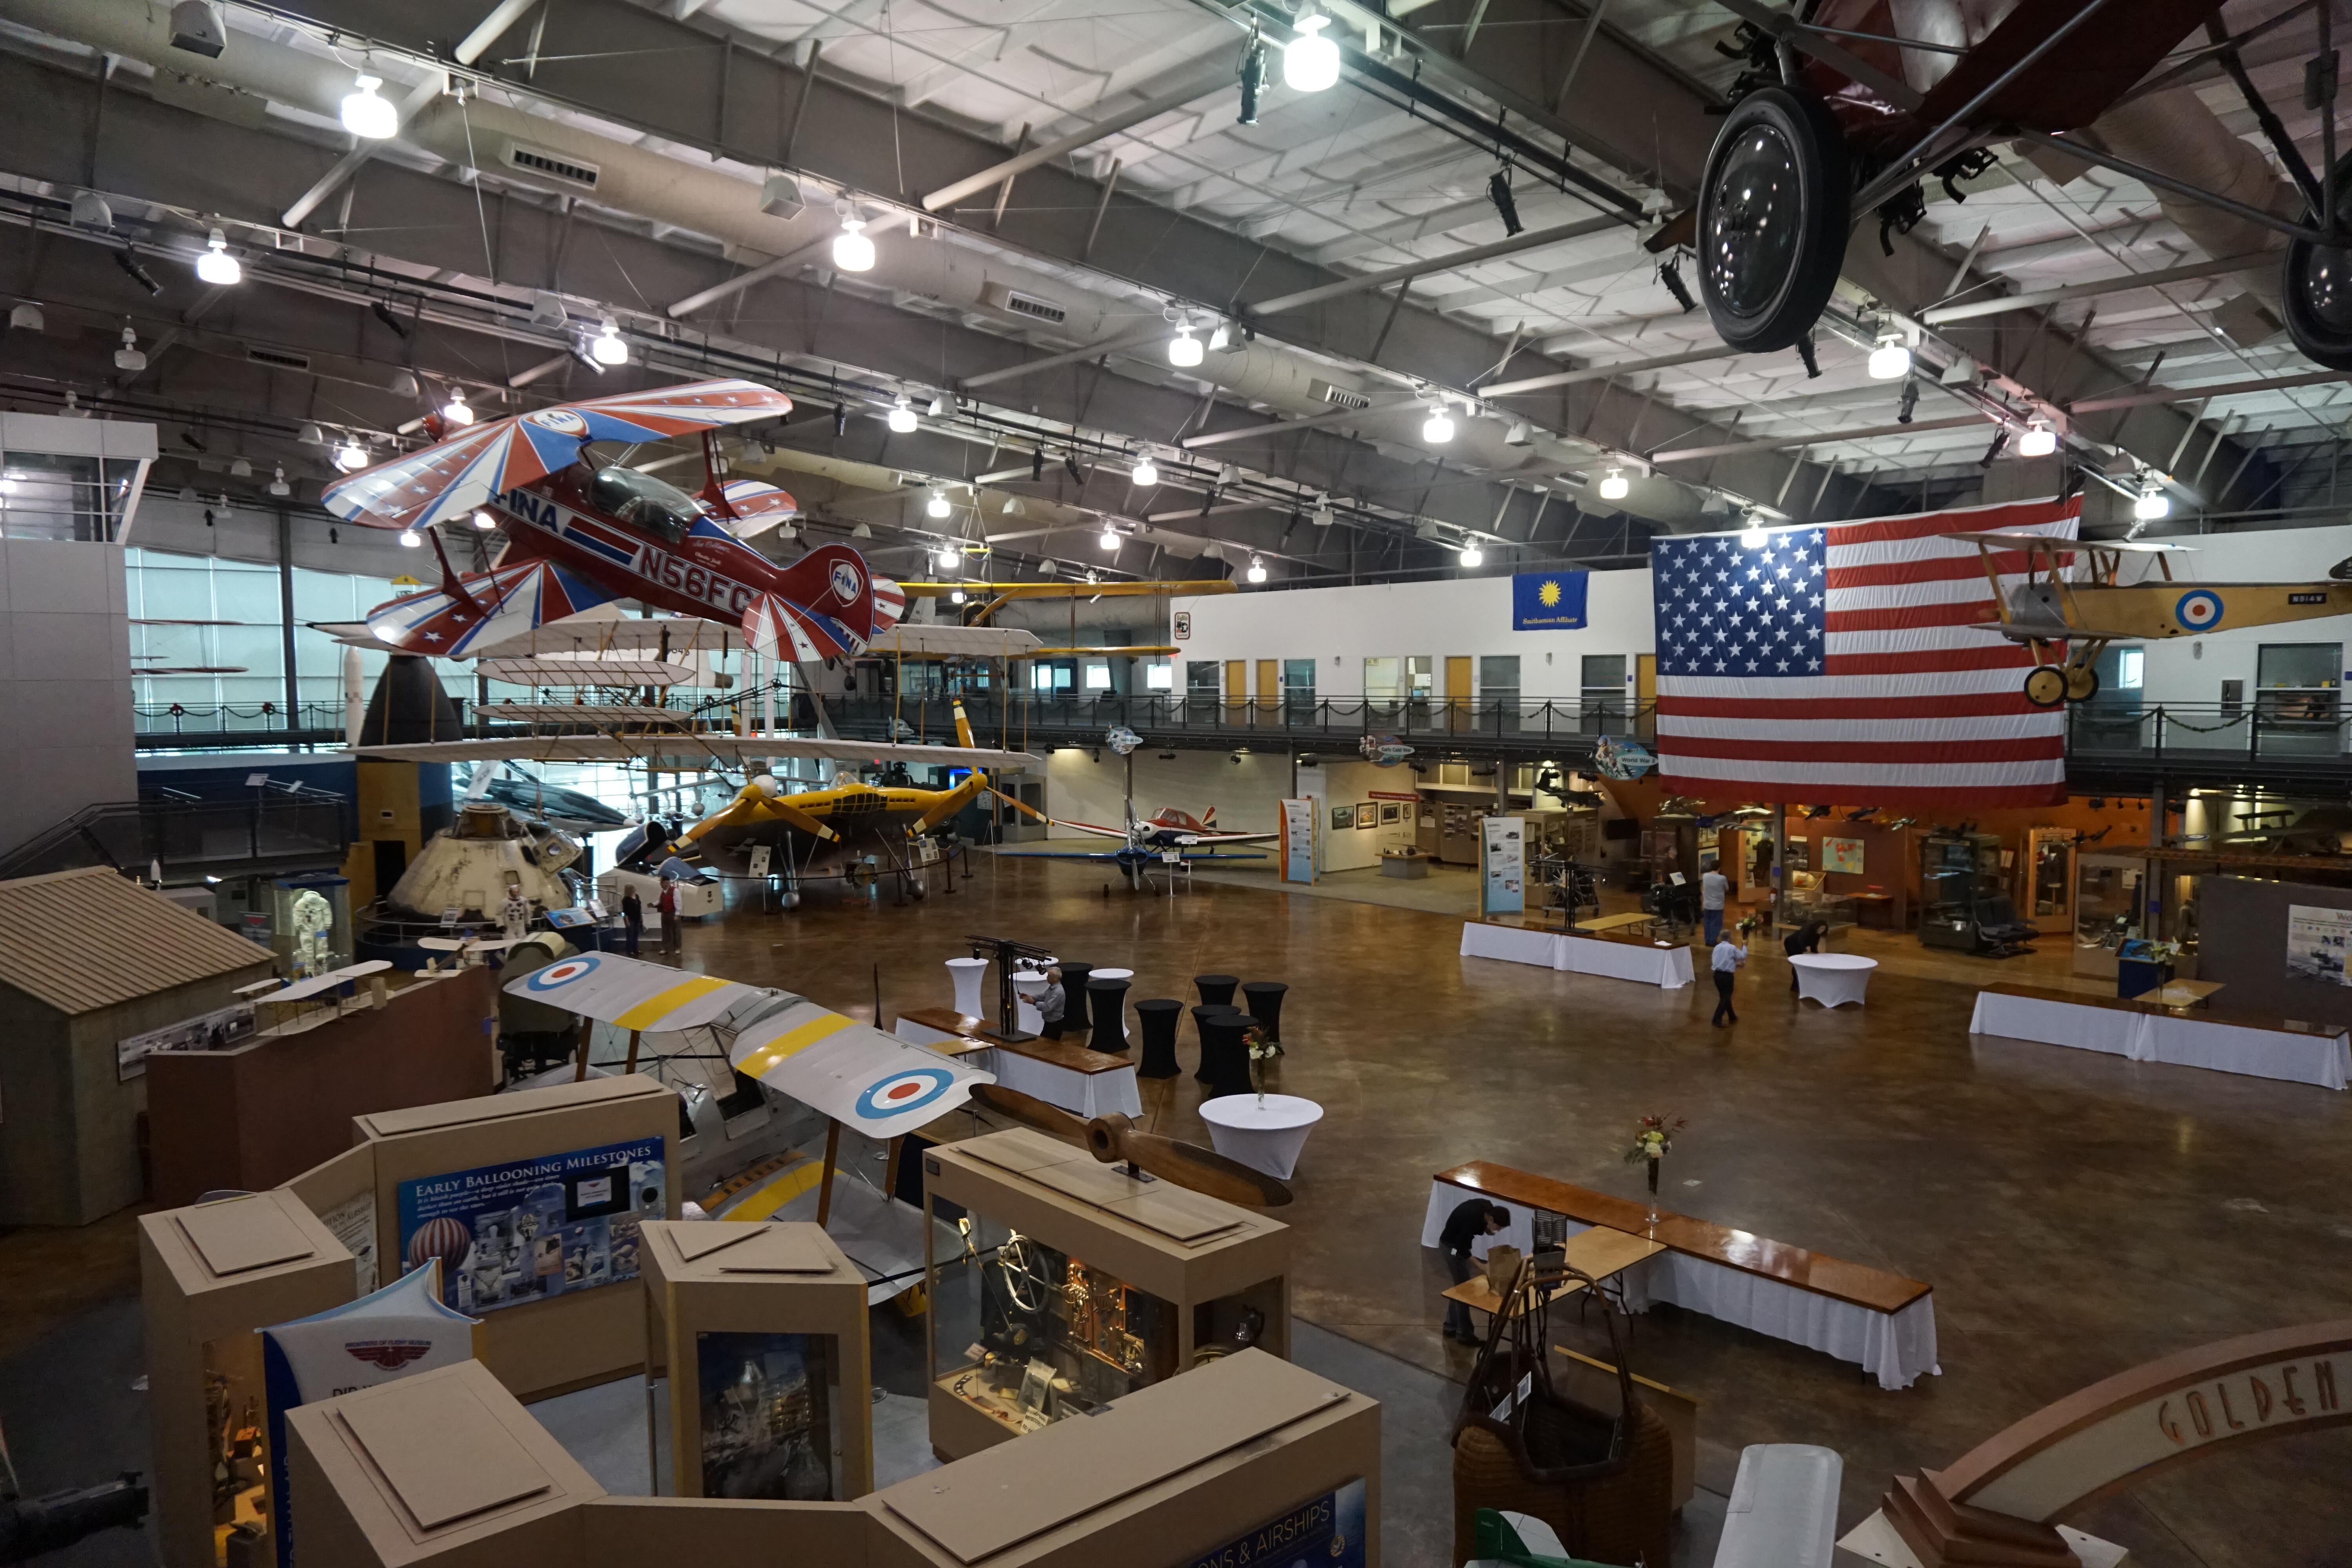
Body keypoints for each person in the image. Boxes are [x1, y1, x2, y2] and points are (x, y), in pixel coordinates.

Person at [1437, 1198, 1510, 1344]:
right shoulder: (1471, 1220)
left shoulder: (1487, 1208)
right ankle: (1465, 1334)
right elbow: (1461, 1248)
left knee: (1459, 1288)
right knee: (1464, 1291)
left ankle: (1451, 1326)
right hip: (1451, 1248)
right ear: (1491, 1219)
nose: (1498, 1231)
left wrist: (1487, 1229)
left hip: (1456, 1244)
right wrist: (1481, 1266)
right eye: (1498, 1227)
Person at [1711, 930, 1749, 1027]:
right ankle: (1717, 1018)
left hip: (1717, 975)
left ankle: (1732, 1016)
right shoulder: (1732, 948)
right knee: (1726, 997)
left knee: (1724, 996)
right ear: (1729, 938)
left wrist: (1735, 965)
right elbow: (1742, 956)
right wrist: (1745, 945)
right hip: (1727, 977)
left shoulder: (1717, 947)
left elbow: (1720, 961)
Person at [1784, 918, 1829, 993]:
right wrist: (1806, 952)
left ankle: (1799, 984)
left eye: (1824, 929)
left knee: (1799, 965)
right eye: (1821, 928)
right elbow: (1801, 941)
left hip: (1798, 945)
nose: (1822, 930)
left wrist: (1817, 956)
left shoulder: (1817, 935)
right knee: (1797, 965)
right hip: (1791, 944)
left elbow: (1814, 947)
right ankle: (1795, 986)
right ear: (1817, 926)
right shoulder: (1808, 930)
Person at [1700, 864, 1731, 946]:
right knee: (1716, 924)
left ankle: (1707, 940)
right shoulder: (1722, 878)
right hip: (1718, 905)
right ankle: (1713, 941)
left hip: (1707, 904)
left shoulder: (1705, 876)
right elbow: (1727, 889)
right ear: (1719, 868)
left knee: (1707, 923)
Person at [1037, 966, 1067, 1039]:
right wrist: (1031, 997)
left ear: (1056, 978)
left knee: (1049, 1044)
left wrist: (1034, 1003)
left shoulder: (1058, 992)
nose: (1047, 978)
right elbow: (1043, 996)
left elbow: (1048, 1007)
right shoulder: (1052, 988)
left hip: (1054, 1025)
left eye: (1049, 976)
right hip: (1049, 1023)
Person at [657, 876, 681, 958]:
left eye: (661, 883)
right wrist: (654, 904)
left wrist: (677, 914)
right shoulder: (663, 891)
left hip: (673, 913)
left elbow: (678, 903)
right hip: (665, 913)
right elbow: (660, 901)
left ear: (666, 883)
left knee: (676, 931)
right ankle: (665, 947)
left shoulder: (675, 891)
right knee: (665, 931)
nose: (661, 884)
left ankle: (677, 948)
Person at [619, 886, 644, 956]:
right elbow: (625, 912)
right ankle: (629, 950)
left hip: (637, 918)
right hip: (630, 919)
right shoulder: (626, 900)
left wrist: (641, 917)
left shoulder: (636, 896)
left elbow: (639, 908)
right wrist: (626, 921)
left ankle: (636, 949)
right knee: (630, 935)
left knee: (636, 935)